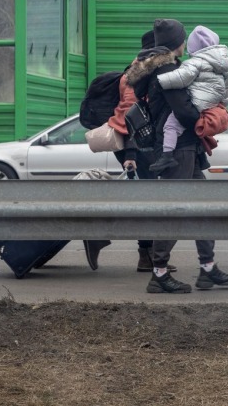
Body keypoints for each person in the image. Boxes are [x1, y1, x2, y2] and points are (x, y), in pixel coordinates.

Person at [129, 18, 228, 294]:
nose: (185, 41)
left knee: (203, 207)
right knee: (174, 210)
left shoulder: (157, 67)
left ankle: (208, 268)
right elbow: (184, 110)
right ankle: (159, 273)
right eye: (182, 37)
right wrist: (209, 118)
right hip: (177, 148)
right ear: (175, 42)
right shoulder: (167, 69)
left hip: (184, 147)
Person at [83, 30, 176, 274]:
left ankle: (149, 256)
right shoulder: (136, 74)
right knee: (148, 204)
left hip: (142, 147)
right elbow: (130, 116)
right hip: (136, 148)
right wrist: (131, 156)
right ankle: (107, 239)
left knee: (149, 202)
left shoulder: (145, 70)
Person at [150, 25, 228, 174]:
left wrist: (160, 82)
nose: (184, 44)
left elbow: (183, 105)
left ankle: (167, 155)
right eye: (182, 40)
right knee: (188, 193)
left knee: (188, 194)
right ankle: (172, 155)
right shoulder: (220, 64)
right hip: (183, 144)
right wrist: (221, 106)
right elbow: (226, 88)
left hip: (182, 143)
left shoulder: (185, 67)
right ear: (175, 43)